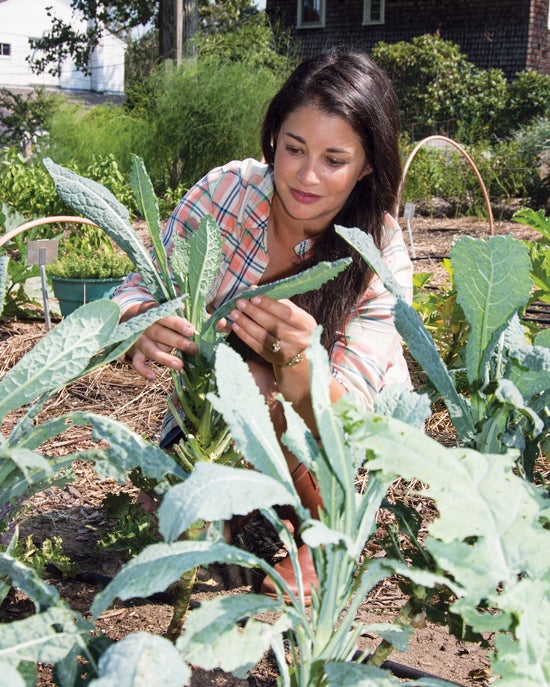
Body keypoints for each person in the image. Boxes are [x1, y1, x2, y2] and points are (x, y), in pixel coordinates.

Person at [112, 47, 413, 604]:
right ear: (272, 136)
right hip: (213, 424)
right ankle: (236, 505)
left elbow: (350, 422)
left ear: (367, 165)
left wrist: (299, 361)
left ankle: (323, 537)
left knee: (261, 381)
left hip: (325, 445)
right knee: (177, 545)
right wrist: (140, 320)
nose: (306, 175)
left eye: (333, 159)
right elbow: (138, 286)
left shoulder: (379, 254)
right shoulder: (227, 193)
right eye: (293, 148)